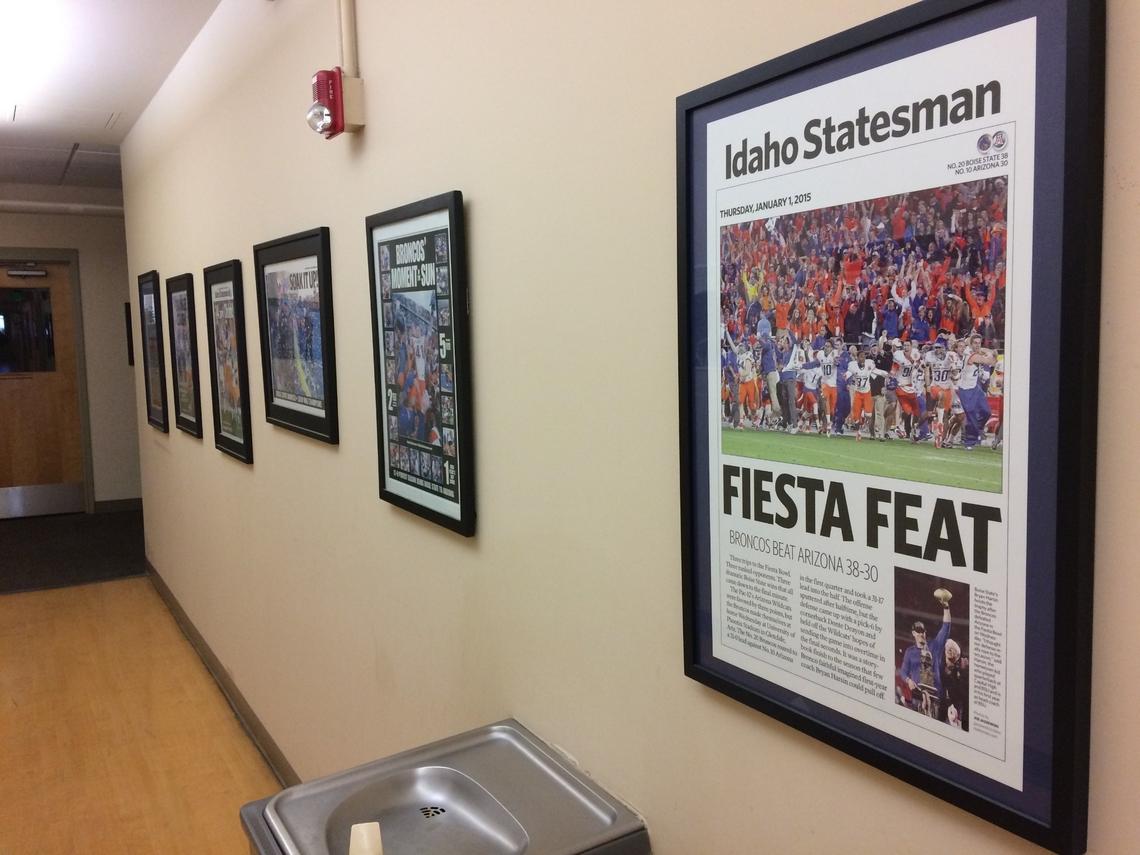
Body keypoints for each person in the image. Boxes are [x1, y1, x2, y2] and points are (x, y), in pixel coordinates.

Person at [898, 589, 953, 718]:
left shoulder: (935, 646)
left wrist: (946, 607)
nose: (921, 634)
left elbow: (946, 627)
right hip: (918, 695)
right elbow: (903, 671)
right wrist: (908, 680)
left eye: (923, 631)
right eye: (918, 632)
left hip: (935, 697)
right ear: (913, 633)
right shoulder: (910, 652)